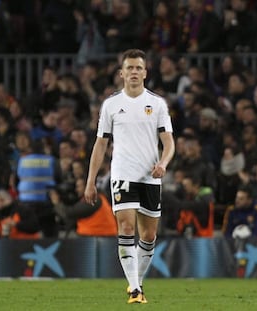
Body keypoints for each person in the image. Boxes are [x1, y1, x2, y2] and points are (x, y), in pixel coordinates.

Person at [84, 49, 175, 304]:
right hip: (123, 174)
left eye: (138, 68)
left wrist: (164, 163)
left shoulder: (157, 104)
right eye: (130, 68)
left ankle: (137, 282)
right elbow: (100, 145)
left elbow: (168, 143)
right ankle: (135, 290)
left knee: (148, 236)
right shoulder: (111, 105)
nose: (134, 72)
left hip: (150, 176)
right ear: (121, 73)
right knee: (126, 227)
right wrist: (90, 181)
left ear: (145, 73)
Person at [50, 178, 117, 237]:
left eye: (79, 187)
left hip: (100, 237)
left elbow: (70, 213)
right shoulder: (97, 197)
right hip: (97, 236)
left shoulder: (93, 199)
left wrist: (57, 203)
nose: (77, 190)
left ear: (87, 186)